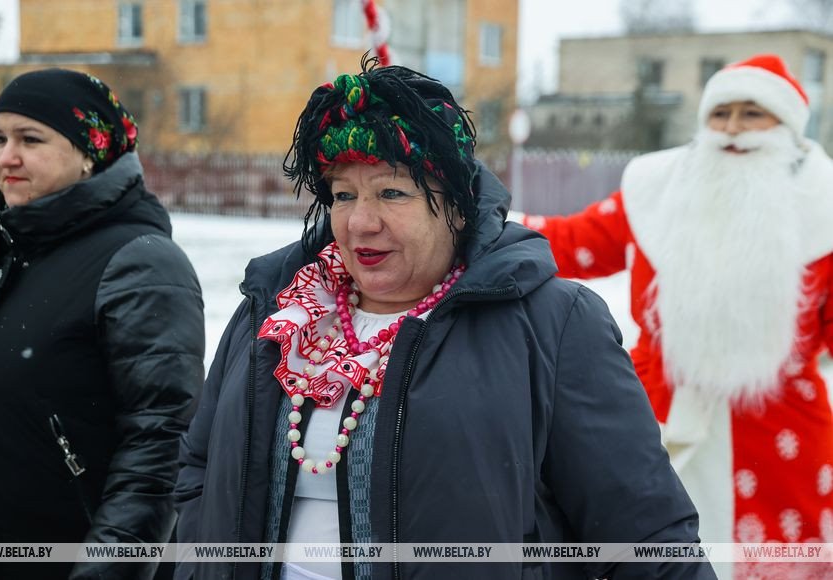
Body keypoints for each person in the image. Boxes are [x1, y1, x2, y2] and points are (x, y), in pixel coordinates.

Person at [174, 58, 714, 580]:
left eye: (392, 192)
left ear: (456, 205)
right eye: (343, 194)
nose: (361, 221)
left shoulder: (550, 324)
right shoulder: (276, 312)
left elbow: (645, 534)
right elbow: (199, 470)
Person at [516, 54, 833, 579]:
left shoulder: (824, 205)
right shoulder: (657, 187)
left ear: (788, 126)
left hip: (781, 435)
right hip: (654, 413)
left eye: (753, 113)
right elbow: (571, 243)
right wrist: (479, 227)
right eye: (721, 113)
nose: (733, 128)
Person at [0, 68, 206, 580]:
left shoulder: (140, 263)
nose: (7, 157)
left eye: (31, 139)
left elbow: (160, 447)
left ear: (90, 151)